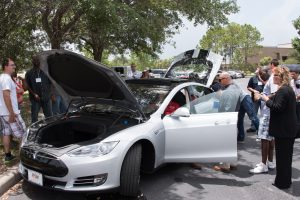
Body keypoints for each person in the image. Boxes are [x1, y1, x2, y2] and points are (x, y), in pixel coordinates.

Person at [256, 66, 297, 189]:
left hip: (284, 130)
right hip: (287, 129)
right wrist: (270, 97)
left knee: (283, 159)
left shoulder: (284, 90)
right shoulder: (286, 89)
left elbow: (277, 107)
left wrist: (265, 99)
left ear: (282, 77)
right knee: (285, 158)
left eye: (276, 75)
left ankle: (282, 183)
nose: (273, 77)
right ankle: (284, 181)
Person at [250, 59, 279, 174]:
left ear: (271, 66)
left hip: (268, 113)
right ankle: (270, 162)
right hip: (269, 112)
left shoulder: (273, 78)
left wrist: (261, 96)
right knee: (270, 139)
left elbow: (275, 94)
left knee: (264, 139)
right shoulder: (272, 78)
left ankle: (263, 165)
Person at [0, 58, 26, 162]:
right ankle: (24, 158)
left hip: (2, 112)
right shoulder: (6, 78)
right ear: (6, 66)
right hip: (10, 113)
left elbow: (7, 94)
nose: (14, 67)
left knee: (6, 133)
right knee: (24, 134)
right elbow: (6, 95)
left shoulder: (1, 77)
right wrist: (11, 113)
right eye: (12, 65)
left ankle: (7, 155)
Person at [25, 55, 53, 123]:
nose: (36, 61)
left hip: (46, 98)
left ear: (40, 61)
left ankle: (50, 130)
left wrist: (51, 94)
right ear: (32, 61)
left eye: (38, 60)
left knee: (49, 117)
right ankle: (34, 131)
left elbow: (51, 83)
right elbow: (27, 86)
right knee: (34, 117)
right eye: (35, 60)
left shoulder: (45, 72)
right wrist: (34, 94)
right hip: (35, 99)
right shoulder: (29, 73)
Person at [246, 67, 264, 132]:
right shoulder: (253, 78)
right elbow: (248, 87)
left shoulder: (265, 77)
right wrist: (254, 91)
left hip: (264, 98)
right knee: (254, 113)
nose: (256, 70)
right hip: (255, 99)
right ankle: (253, 127)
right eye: (256, 69)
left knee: (264, 113)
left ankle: (263, 127)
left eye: (258, 69)